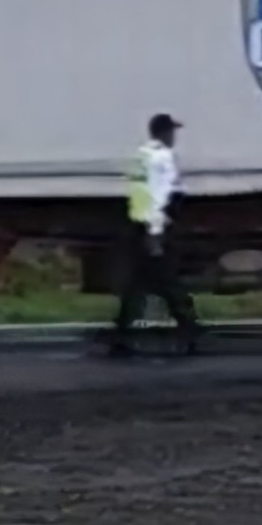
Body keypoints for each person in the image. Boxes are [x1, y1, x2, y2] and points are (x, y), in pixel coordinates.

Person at [104, 111, 203, 357]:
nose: (173, 137)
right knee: (167, 285)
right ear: (164, 133)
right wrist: (155, 236)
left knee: (139, 287)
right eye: (171, 132)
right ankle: (189, 332)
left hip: (143, 228)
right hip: (154, 230)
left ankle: (122, 337)